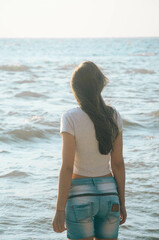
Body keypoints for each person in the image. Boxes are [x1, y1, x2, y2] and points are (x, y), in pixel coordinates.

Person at [52, 61, 127, 240]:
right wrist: (122, 203)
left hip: (80, 196)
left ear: (75, 88)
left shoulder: (70, 118)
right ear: (100, 86)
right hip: (110, 194)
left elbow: (68, 167)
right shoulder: (114, 116)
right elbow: (118, 164)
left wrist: (60, 210)